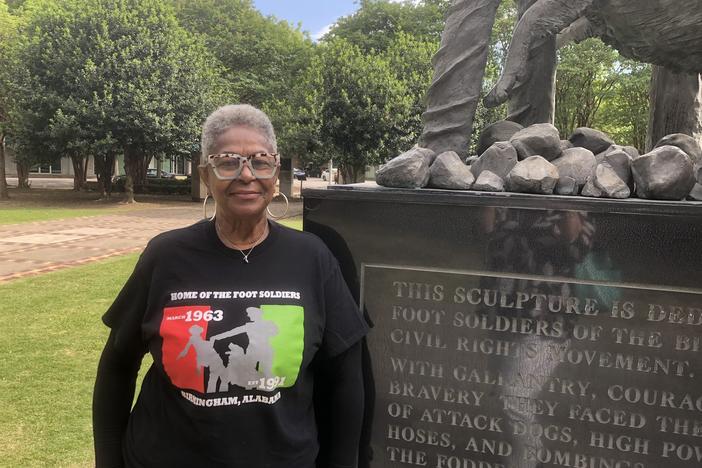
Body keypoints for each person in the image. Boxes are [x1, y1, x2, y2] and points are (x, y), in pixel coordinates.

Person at [93, 104, 369, 468]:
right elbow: (116, 366)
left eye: (260, 161)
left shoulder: (311, 258)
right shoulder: (166, 255)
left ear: (274, 170)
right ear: (206, 174)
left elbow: (346, 379)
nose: (246, 175)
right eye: (228, 162)